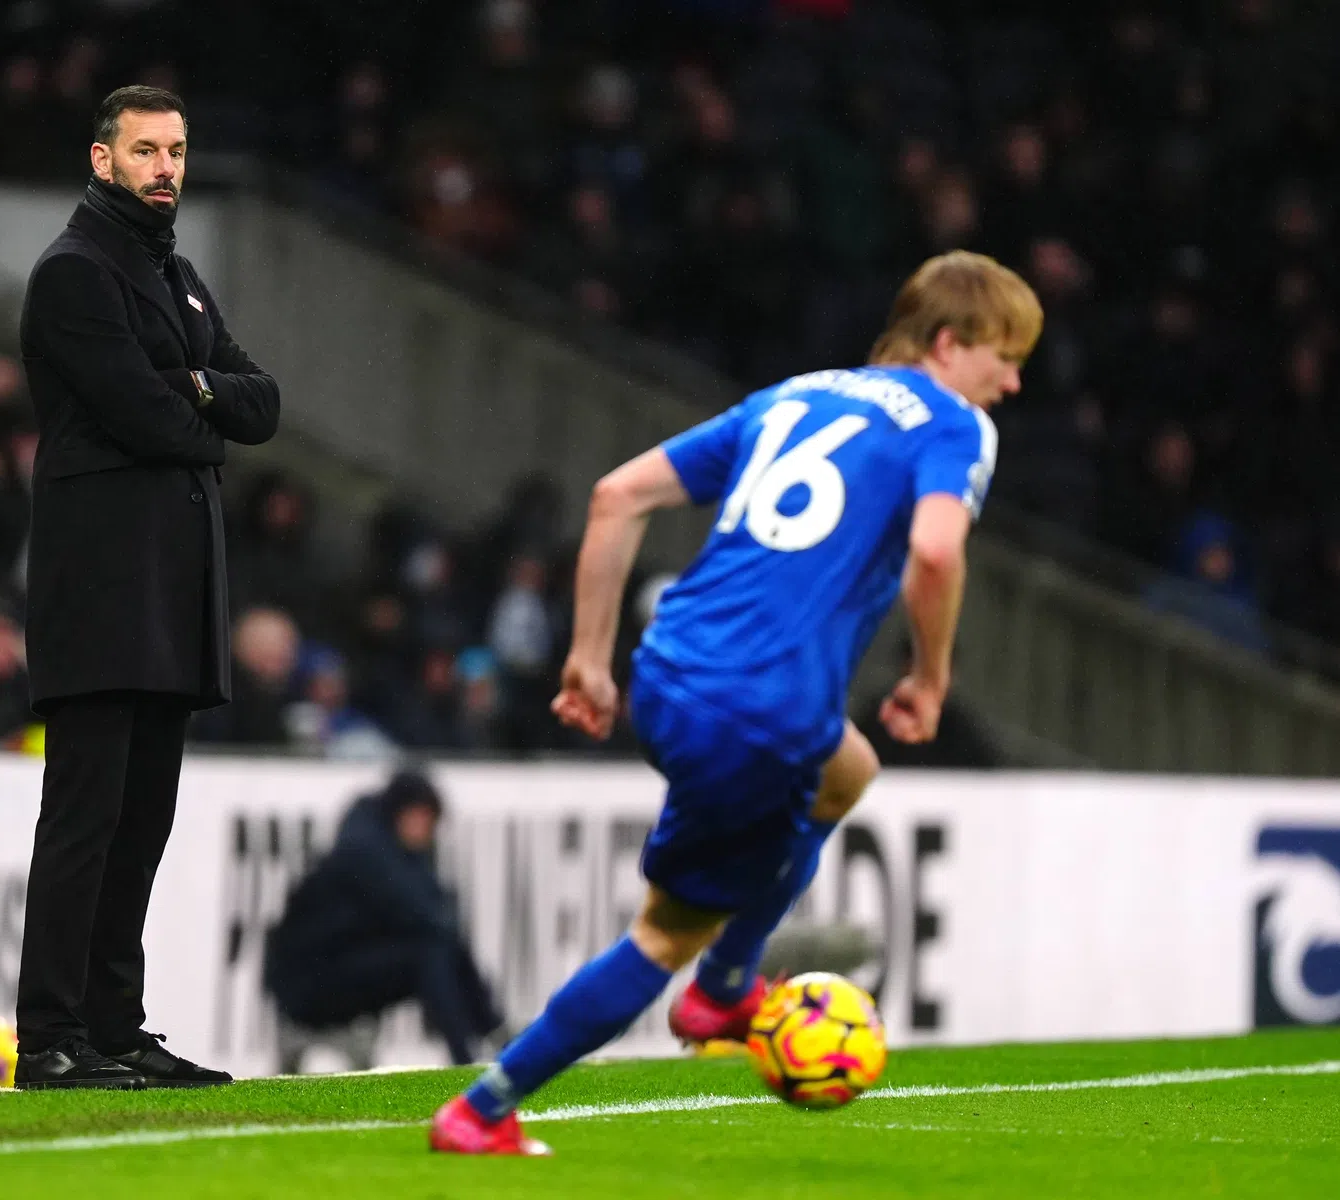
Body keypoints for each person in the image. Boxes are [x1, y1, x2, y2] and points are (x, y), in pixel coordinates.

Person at [431, 250, 1039, 1154]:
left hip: (667, 672)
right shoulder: (954, 425)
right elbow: (939, 553)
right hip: (756, 714)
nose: (1014, 381)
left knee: (850, 769)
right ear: (949, 344)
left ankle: (727, 982)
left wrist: (589, 662)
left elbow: (616, 496)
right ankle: (484, 1109)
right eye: (1005, 355)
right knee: (659, 939)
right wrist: (930, 677)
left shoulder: (797, 396)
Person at [15, 85, 279, 1089]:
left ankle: (114, 1029)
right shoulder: (74, 274)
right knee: (86, 815)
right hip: (101, 580)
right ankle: (48, 1038)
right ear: (102, 159)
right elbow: (150, 420)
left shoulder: (175, 274)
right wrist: (200, 399)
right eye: (145, 150)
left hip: (170, 584)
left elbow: (261, 402)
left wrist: (197, 389)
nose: (165, 167)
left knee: (142, 818)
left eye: (176, 149)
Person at [265, 771, 501, 1068]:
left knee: (438, 947)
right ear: (404, 812)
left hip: (333, 970)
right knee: (429, 953)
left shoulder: (388, 846)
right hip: (307, 985)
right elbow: (426, 915)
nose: (427, 830)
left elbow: (436, 922)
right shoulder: (366, 850)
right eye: (422, 818)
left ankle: (488, 1036)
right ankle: (468, 1058)